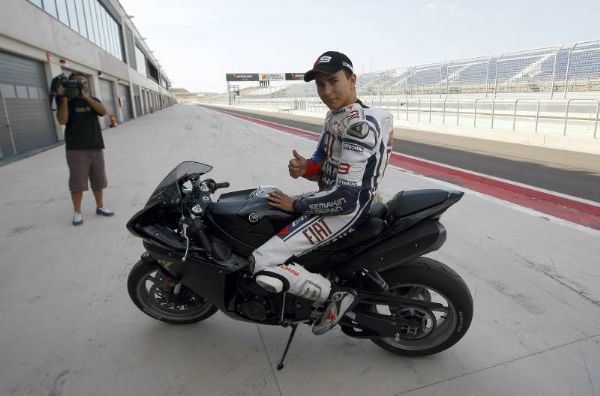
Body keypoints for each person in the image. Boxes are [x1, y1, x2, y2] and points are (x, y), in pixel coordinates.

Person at [251, 51, 394, 334]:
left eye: (333, 81)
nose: (326, 92)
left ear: (352, 79)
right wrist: (305, 167)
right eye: (320, 84)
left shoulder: (359, 126)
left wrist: (296, 204)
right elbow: (322, 161)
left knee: (261, 260)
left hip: (344, 210)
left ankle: (332, 296)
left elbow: (344, 198)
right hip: (341, 198)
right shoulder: (337, 116)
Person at [56, 72, 114, 226]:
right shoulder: (66, 101)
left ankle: (100, 207)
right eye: (77, 82)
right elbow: (62, 120)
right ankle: (77, 212)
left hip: (96, 147)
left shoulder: (92, 100)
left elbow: (102, 112)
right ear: (70, 84)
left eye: (84, 82)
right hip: (76, 149)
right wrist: (62, 99)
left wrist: (86, 97)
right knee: (77, 183)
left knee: (99, 181)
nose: (82, 85)